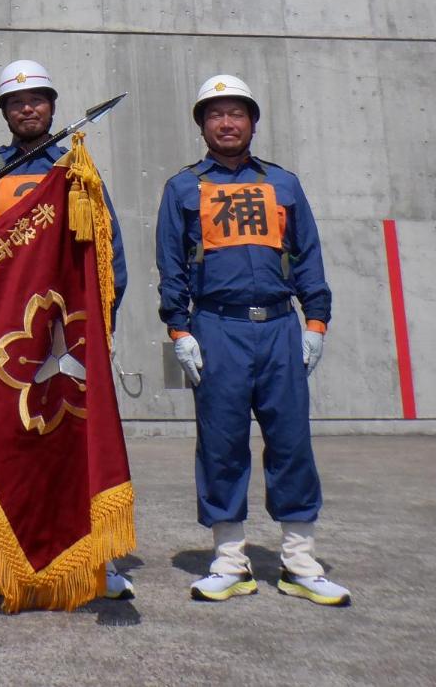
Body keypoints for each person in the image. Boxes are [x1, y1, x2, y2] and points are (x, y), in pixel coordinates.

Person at [0, 58, 134, 602]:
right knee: (12, 447)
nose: (28, 109)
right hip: (8, 335)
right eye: (17, 103)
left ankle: (97, 560)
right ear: (5, 112)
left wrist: (103, 322)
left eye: (37, 100)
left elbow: (109, 248)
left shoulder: (75, 168)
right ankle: (6, 557)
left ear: (52, 107)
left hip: (68, 330)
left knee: (77, 446)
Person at [154, 73, 351, 607]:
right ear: (202, 126)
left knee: (291, 442)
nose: (226, 122)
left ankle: (299, 561)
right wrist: (179, 329)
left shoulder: (284, 184)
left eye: (236, 112)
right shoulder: (182, 188)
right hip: (217, 328)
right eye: (215, 114)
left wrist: (315, 324)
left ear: (253, 121)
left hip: (281, 328)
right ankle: (228, 559)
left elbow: (308, 256)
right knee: (221, 444)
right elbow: (170, 267)